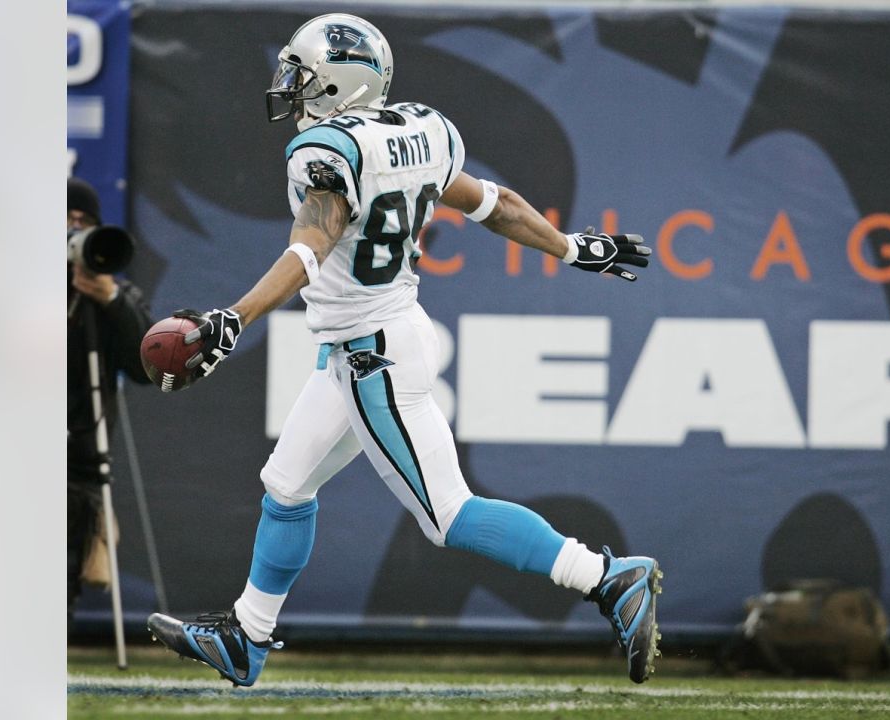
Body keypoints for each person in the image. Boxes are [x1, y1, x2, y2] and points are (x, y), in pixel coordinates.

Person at [146, 13, 660, 685]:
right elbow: (491, 203)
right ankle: (249, 636)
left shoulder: (327, 151)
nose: (289, 86)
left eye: (301, 75)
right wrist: (573, 248)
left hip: (374, 354)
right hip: (371, 339)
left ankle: (606, 576)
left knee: (448, 515)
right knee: (287, 484)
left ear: (336, 84)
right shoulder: (424, 129)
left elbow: (312, 244)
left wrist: (234, 318)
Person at [67, 176, 153, 618]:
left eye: (85, 223)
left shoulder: (113, 295)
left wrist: (112, 300)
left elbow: (146, 367)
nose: (75, 232)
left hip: (78, 463)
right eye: (66, 220)